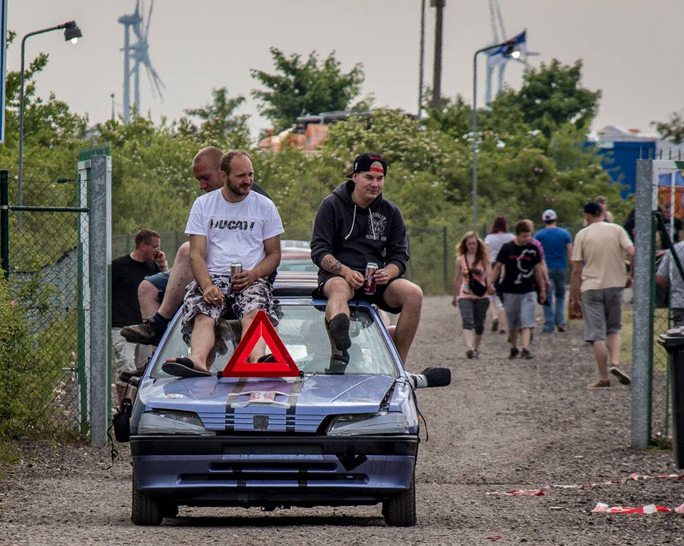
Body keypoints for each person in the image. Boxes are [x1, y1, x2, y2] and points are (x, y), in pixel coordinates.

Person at [122, 147, 272, 345]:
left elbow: (263, 252)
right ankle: (155, 351)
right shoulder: (206, 203)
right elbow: (199, 248)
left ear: (223, 173)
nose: (202, 185)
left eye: (205, 178)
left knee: (186, 250)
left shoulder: (252, 199)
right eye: (198, 180)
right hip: (203, 269)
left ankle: (161, 323)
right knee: (147, 288)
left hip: (233, 276)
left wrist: (249, 277)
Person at [160, 150, 283, 377]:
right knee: (203, 312)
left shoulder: (265, 206)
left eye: (250, 174)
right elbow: (196, 254)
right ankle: (197, 360)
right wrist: (206, 286)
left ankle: (257, 359)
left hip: (250, 277)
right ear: (224, 176)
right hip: (213, 276)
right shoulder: (203, 205)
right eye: (241, 176)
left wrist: (254, 274)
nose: (247, 181)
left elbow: (274, 255)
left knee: (255, 310)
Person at [311, 153, 426, 366]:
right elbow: (319, 251)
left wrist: (389, 272)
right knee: (339, 289)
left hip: (377, 280)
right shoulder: (331, 205)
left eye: (379, 179)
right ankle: (340, 349)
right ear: (354, 177)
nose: (375, 184)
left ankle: (398, 365)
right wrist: (345, 271)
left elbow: (400, 255)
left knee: (414, 294)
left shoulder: (391, 211)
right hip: (340, 276)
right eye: (369, 177)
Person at [570, 200, 635, 388]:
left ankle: (604, 376)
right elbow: (632, 251)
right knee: (614, 327)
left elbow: (576, 269)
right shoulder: (617, 230)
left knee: (597, 333)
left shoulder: (582, 234)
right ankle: (615, 363)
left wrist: (575, 298)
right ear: (602, 213)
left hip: (591, 286)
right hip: (615, 283)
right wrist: (630, 274)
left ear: (587, 216)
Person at [111, 229, 165, 385]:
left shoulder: (153, 267)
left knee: (142, 372)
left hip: (144, 328)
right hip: (122, 325)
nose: (157, 251)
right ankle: (123, 405)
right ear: (143, 245)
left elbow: (167, 288)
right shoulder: (119, 266)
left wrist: (162, 265)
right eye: (155, 247)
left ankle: (134, 404)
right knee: (126, 366)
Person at [490, 219, 549, 360]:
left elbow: (537, 270)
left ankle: (526, 348)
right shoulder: (507, 248)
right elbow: (498, 267)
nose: (526, 239)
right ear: (517, 235)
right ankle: (514, 347)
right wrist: (490, 283)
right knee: (513, 321)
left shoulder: (533, 249)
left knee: (527, 319)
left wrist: (542, 289)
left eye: (528, 235)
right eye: (523, 236)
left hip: (528, 290)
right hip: (510, 290)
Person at [451, 231, 493, 359]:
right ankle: (469, 348)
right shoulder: (460, 259)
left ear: (478, 244)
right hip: (465, 295)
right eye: (469, 244)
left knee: (479, 324)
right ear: (465, 244)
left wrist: (491, 286)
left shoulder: (484, 259)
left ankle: (475, 348)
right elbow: (457, 278)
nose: (472, 246)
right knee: (467, 320)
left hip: (482, 295)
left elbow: (490, 275)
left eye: (474, 243)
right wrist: (454, 296)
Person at [534, 209, 572, 333]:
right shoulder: (564, 233)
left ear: (544, 220)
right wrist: (572, 266)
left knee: (546, 295)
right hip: (561, 266)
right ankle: (559, 320)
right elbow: (569, 251)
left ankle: (548, 323)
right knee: (560, 295)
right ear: (555, 219)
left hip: (545, 268)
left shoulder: (539, 235)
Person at [484, 216, 513, 333]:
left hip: (492, 264)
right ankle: (504, 325)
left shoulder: (489, 238)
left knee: (490, 293)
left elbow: (486, 253)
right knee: (503, 295)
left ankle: (495, 316)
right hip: (506, 265)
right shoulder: (510, 237)